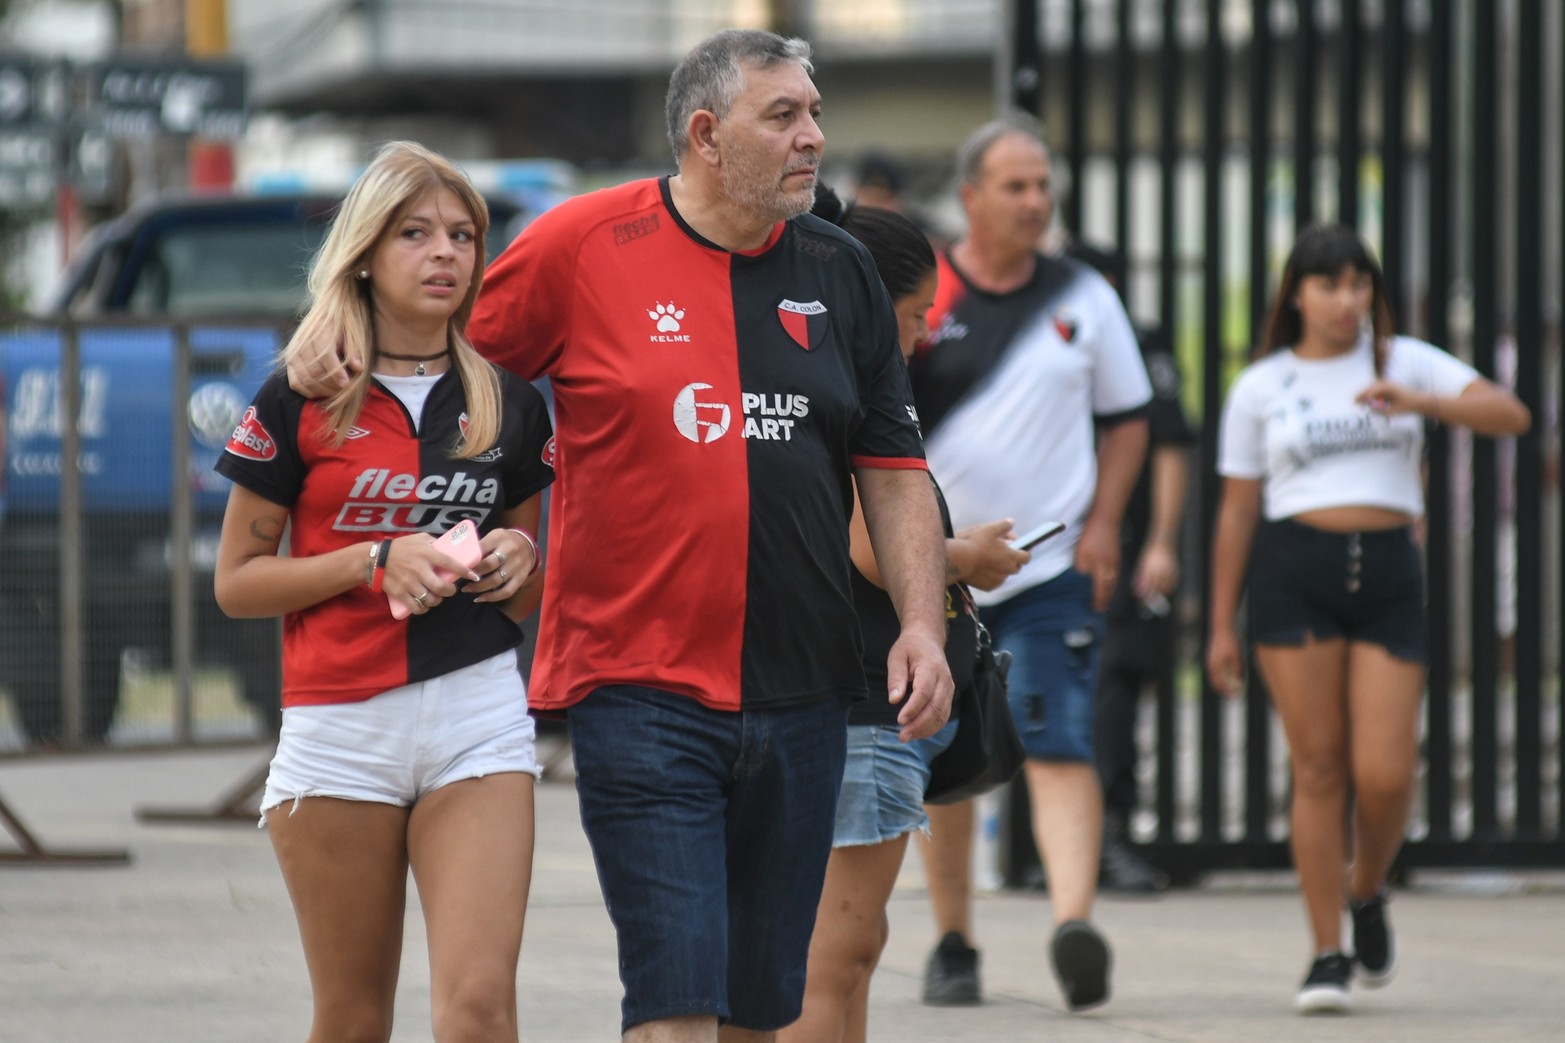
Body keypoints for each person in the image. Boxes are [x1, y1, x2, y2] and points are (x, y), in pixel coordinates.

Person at [290, 30, 954, 1043]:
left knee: (757, 1015)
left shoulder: (844, 270)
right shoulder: (581, 244)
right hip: (633, 686)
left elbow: (893, 468)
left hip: (804, 688)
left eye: (813, 113)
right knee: (675, 1005)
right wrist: (353, 398)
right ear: (703, 133)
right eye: (782, 116)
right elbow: (450, 366)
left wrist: (919, 623)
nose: (813, 137)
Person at [213, 141, 556, 1042]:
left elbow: (521, 582)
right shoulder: (298, 396)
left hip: (476, 715)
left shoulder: (511, 404)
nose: (444, 252)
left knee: (480, 1010)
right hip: (339, 725)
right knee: (354, 1017)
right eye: (415, 232)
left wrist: (525, 556)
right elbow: (237, 584)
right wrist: (370, 559)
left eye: (460, 235)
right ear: (365, 249)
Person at [1206, 224, 1530, 1014]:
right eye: (1329, 284)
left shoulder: (1404, 359)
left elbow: (1509, 414)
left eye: (1359, 284)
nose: (1347, 300)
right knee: (1317, 766)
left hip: (1386, 571)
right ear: (1296, 294)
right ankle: (1325, 952)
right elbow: (1237, 511)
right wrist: (1218, 622)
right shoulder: (1261, 384)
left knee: (1386, 773)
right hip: (1293, 574)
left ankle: (1366, 886)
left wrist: (1418, 401)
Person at [909, 113, 1151, 1012]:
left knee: (1057, 736)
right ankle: (952, 941)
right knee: (945, 750)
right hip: (934, 573)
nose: (1034, 202)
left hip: (1047, 569)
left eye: (1043, 185)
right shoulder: (926, 294)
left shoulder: (1083, 295)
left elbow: (1129, 417)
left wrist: (1105, 525)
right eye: (1014, 186)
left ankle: (1071, 924)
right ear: (970, 196)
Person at [778, 202, 1029, 1043]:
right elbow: (875, 549)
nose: (922, 336)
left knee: (851, 945)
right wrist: (966, 558)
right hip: (860, 706)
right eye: (917, 314)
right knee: (835, 951)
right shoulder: (852, 389)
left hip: (848, 705)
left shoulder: (818, 376)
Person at [1063, 240, 1194, 894]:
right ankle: (1046, 848)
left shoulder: (1140, 341)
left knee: (1114, 685)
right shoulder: (1041, 333)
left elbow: (1169, 443)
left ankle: (1109, 835)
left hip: (1124, 544)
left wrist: (1161, 542)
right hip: (1048, 541)